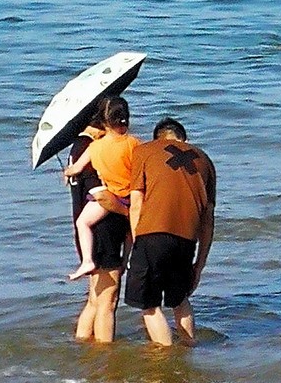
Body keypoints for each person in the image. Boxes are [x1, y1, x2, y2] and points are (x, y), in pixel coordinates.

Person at [125, 117, 217, 347]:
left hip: (151, 233)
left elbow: (136, 202)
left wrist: (137, 241)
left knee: (149, 305)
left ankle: (167, 358)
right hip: (187, 239)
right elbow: (208, 220)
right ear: (185, 139)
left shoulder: (144, 151)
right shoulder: (204, 160)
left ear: (157, 138)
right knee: (180, 299)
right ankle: (189, 347)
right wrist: (200, 264)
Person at [68, 113, 130, 343]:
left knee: (95, 299)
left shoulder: (78, 146)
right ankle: (106, 363)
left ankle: (83, 350)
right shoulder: (92, 147)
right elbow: (102, 196)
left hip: (91, 233)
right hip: (105, 231)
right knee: (108, 301)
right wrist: (128, 213)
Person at [62, 96, 140, 278]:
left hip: (111, 195)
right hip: (131, 196)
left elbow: (77, 168)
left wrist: (67, 172)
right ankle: (127, 260)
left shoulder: (94, 147)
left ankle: (87, 261)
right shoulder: (134, 144)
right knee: (130, 233)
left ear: (103, 121)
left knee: (83, 222)